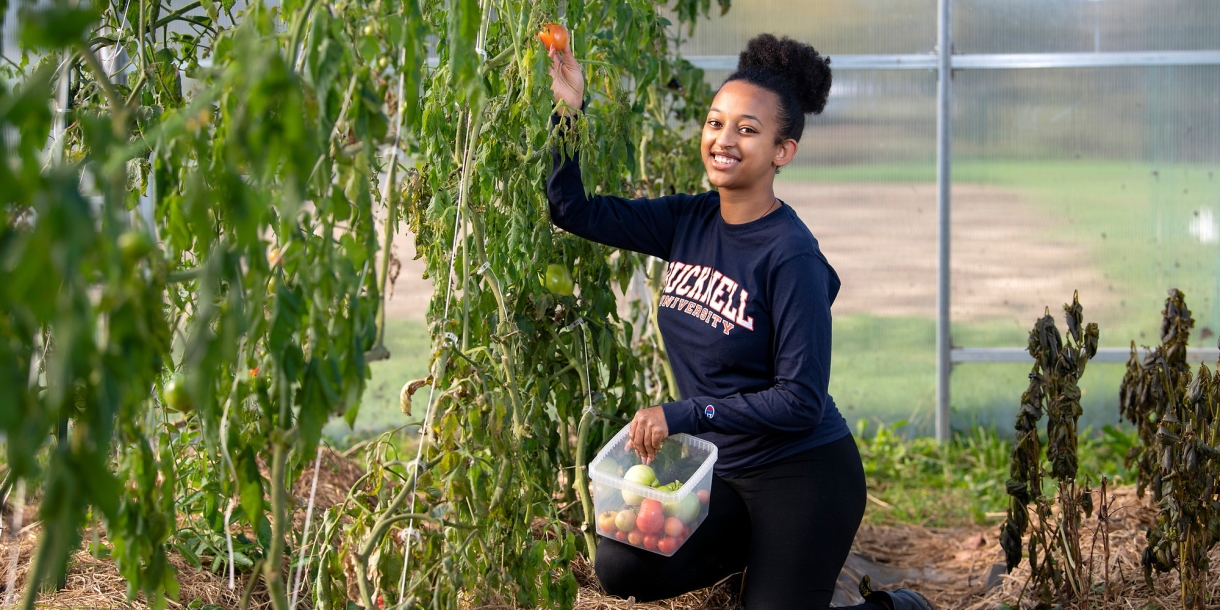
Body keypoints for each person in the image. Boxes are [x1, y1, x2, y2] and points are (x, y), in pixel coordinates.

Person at [545, 33, 933, 610]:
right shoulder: (689, 219)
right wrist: (568, 110)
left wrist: (683, 413)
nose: (723, 141)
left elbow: (800, 400)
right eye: (715, 123)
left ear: (783, 151)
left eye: (747, 130)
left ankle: (892, 606)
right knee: (624, 566)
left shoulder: (790, 255)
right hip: (721, 472)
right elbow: (571, 209)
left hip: (800, 475)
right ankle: (769, 561)